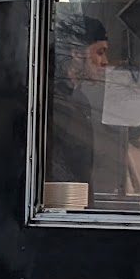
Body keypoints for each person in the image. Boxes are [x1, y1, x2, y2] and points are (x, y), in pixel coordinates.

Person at [45, 12, 122, 194]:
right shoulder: (53, 102)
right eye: (100, 52)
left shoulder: (80, 100)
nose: (105, 61)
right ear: (77, 53)